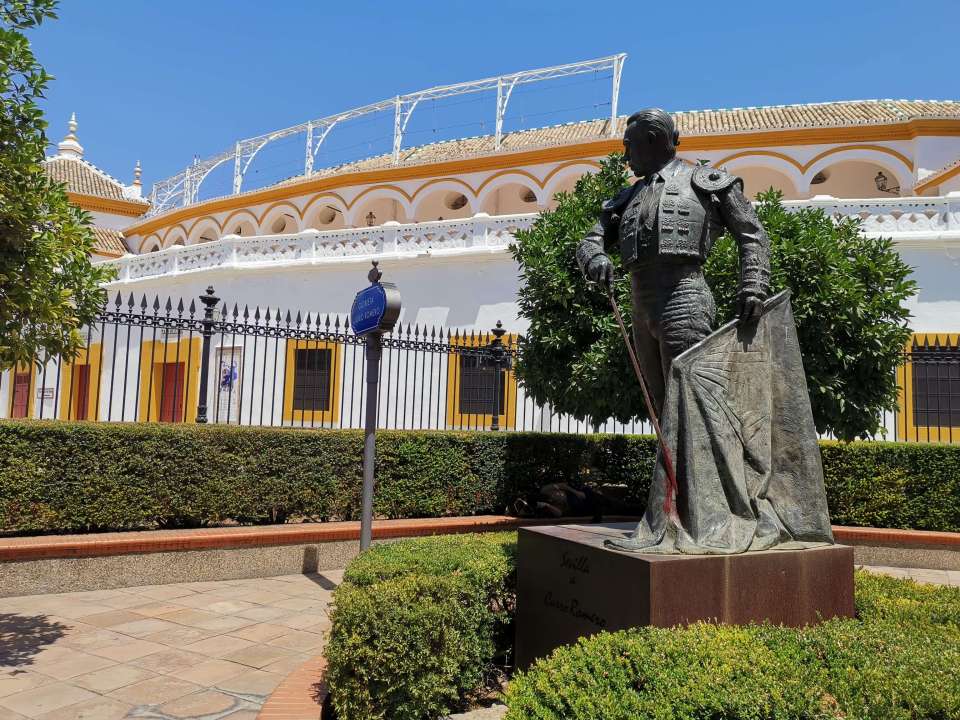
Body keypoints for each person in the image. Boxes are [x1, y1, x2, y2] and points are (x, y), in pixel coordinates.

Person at [575, 108, 770, 415]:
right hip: (641, 305)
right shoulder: (627, 197)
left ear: (652, 139)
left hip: (684, 296)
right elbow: (590, 240)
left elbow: (752, 234)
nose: (625, 156)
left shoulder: (705, 182)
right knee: (661, 405)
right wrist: (595, 257)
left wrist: (753, 287)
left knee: (688, 400)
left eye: (629, 146)